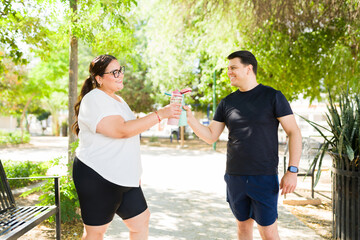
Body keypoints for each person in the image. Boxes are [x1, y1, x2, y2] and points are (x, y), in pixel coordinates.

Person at [183, 50, 302, 240]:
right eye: (228, 68)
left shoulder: (273, 96)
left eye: (233, 68)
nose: (229, 72)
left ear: (249, 69)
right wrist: (190, 119)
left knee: (269, 233)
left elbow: (294, 132)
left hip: (264, 177)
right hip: (235, 177)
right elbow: (211, 136)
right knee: (243, 230)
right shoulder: (227, 103)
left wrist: (292, 171)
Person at [71, 54, 181, 240]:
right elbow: (121, 130)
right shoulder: (94, 99)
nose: (120, 75)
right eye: (114, 72)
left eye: (120, 70)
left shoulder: (119, 101)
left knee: (141, 221)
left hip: (124, 178)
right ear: (99, 79)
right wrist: (160, 114)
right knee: (96, 233)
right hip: (98, 175)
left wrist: (133, 173)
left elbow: (130, 133)